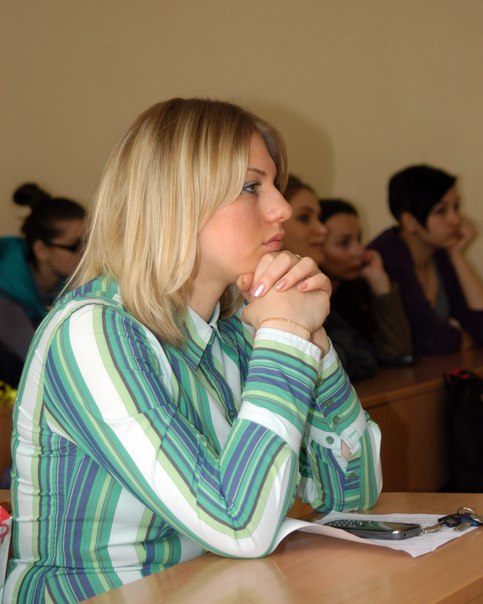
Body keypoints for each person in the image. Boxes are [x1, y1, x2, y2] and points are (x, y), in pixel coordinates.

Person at [4, 98, 382, 603]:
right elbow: (237, 525)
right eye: (251, 187)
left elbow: (351, 495)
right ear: (174, 202)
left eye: (275, 185)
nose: (282, 209)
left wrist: (312, 340)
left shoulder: (233, 329)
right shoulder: (93, 333)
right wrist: (287, 334)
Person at [369, 164, 483, 356]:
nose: (456, 220)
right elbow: (428, 340)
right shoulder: (386, 255)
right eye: (441, 211)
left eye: (456, 207)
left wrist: (457, 256)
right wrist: (464, 339)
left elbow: (480, 327)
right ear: (410, 221)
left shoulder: (440, 253)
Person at [283, 175, 386, 380]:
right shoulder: (260, 293)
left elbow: (370, 354)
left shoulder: (317, 287)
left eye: (319, 218)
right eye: (304, 218)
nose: (322, 229)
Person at [0, 183, 86, 388]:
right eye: (75, 246)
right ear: (41, 250)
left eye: (90, 243)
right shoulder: (6, 296)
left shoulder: (70, 284)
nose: (86, 254)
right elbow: (41, 362)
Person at [319, 198, 414, 374]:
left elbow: (398, 353)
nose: (360, 251)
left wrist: (381, 285)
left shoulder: (358, 290)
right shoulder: (308, 302)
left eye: (359, 239)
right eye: (344, 243)